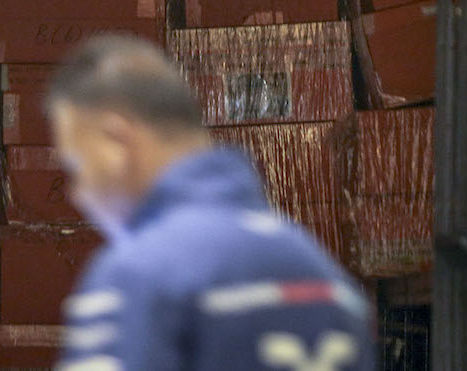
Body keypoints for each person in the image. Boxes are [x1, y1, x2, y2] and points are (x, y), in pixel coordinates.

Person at [46, 34, 375, 371]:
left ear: (116, 140)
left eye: (76, 164)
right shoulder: (327, 279)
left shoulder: (137, 276)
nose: (78, 191)